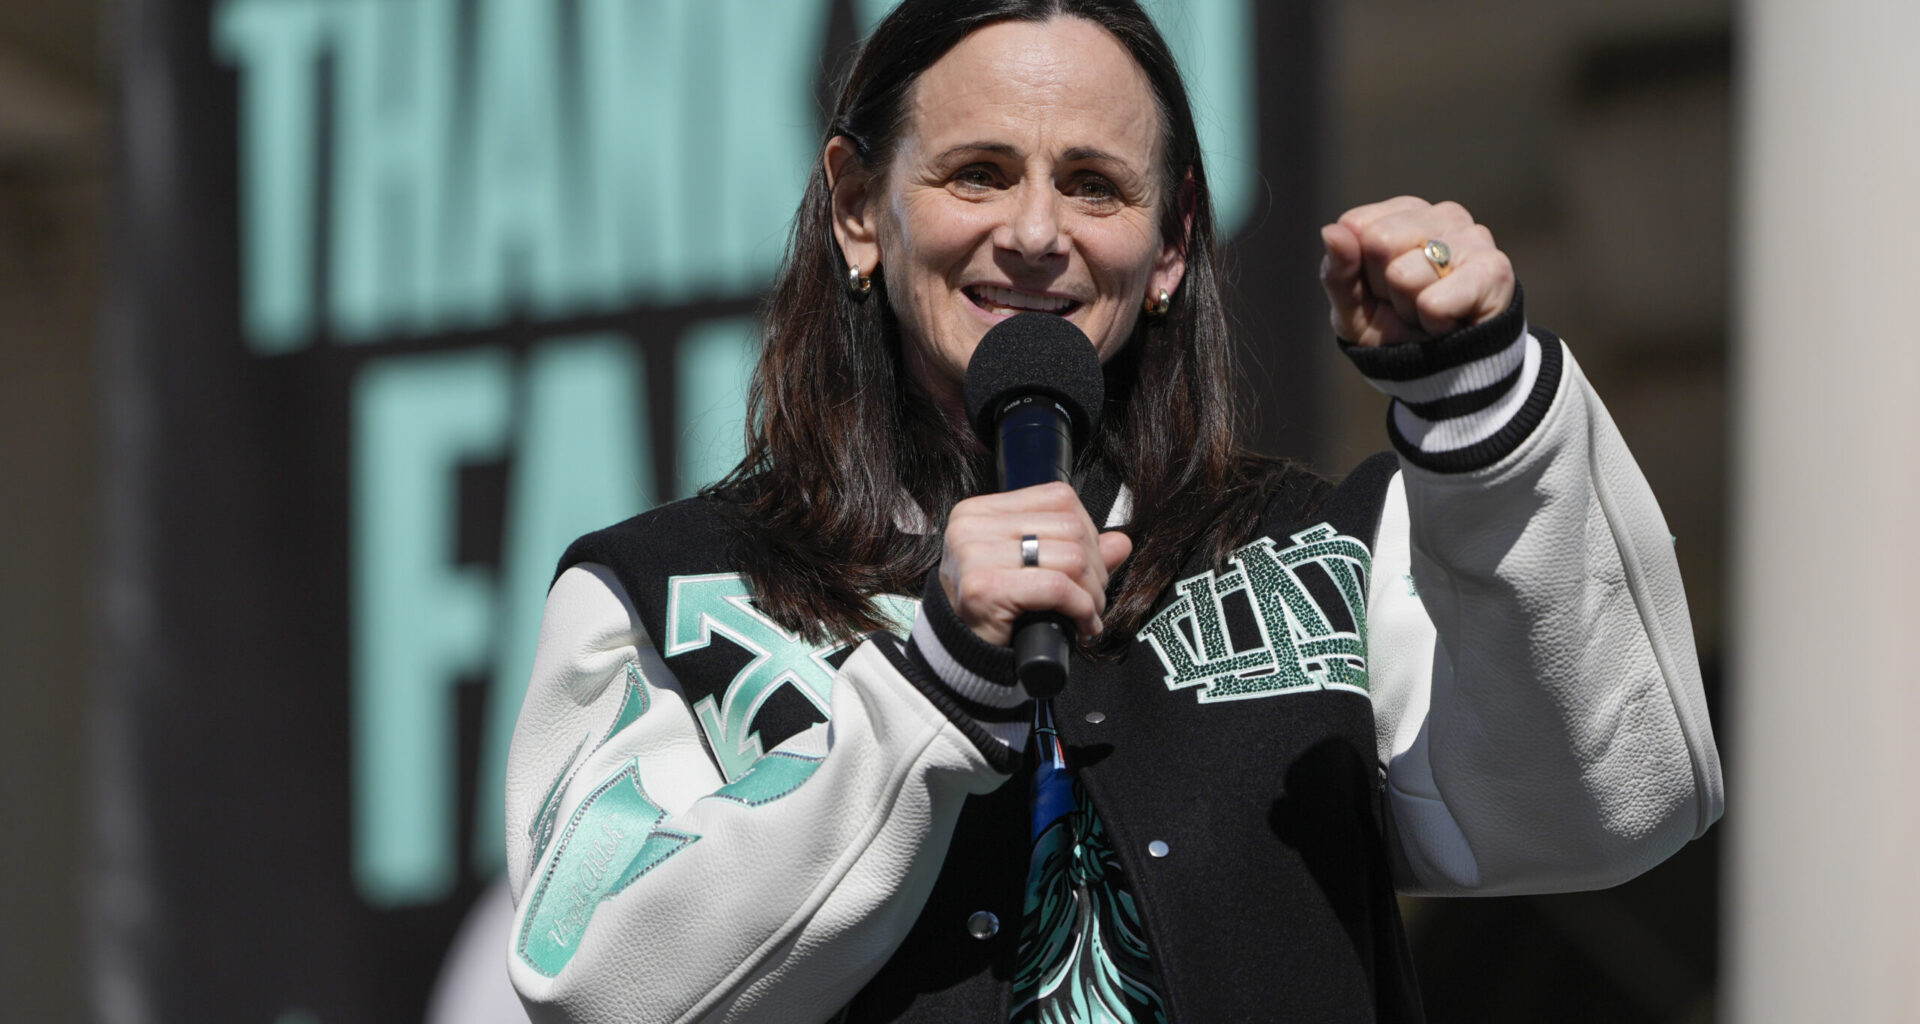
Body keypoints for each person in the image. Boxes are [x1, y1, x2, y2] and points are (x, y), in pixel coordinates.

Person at [501, 1, 1724, 1021]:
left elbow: (1622, 798)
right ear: (859, 207)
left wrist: (1485, 406)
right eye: (979, 172)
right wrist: (931, 695)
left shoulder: (1322, 551)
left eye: (1095, 186)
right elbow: (588, 978)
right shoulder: (661, 593)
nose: (1035, 233)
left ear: (1174, 240)